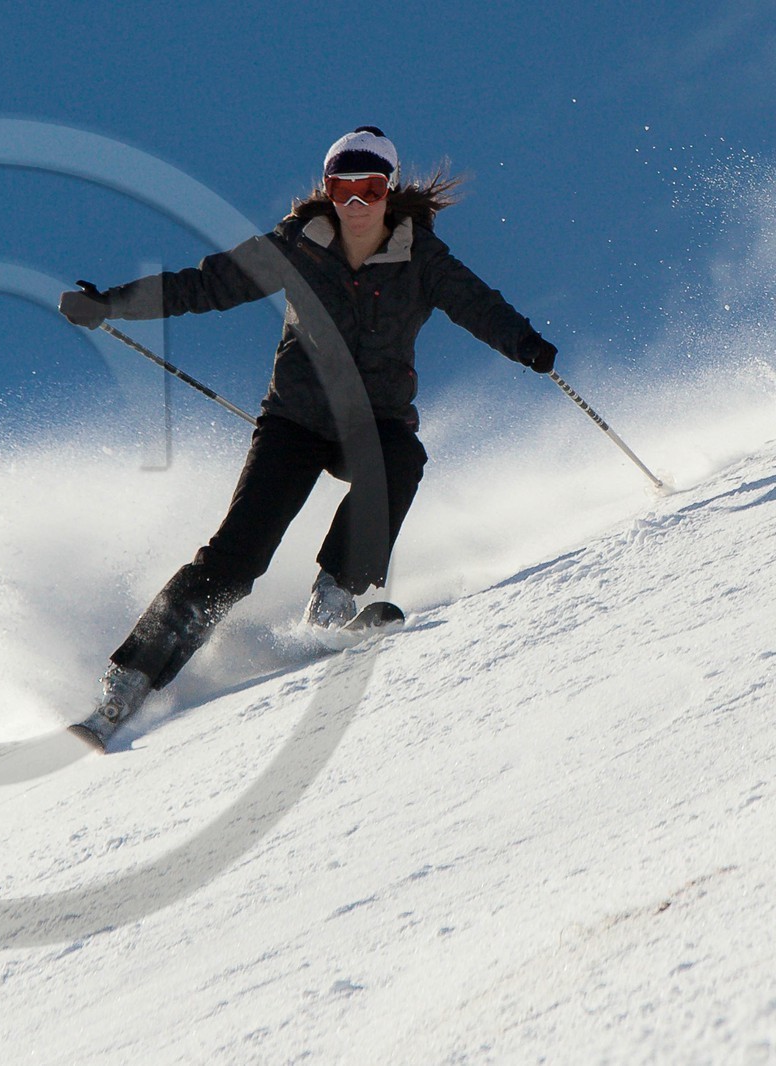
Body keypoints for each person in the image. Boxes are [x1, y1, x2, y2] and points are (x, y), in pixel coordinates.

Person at [58, 126, 557, 737]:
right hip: (295, 420)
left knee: (400, 461)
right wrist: (111, 303)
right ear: (327, 189)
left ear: (389, 191)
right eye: (344, 189)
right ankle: (129, 681)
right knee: (235, 557)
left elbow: (479, 305)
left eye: (370, 189)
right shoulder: (296, 246)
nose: (357, 204)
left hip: (376, 421)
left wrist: (525, 343)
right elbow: (205, 283)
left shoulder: (421, 258)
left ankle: (335, 599)